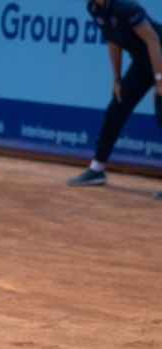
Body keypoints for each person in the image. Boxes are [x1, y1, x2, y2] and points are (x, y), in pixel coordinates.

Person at [67, 0, 162, 200]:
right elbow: (113, 41)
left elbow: (153, 40)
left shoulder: (126, 8)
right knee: (117, 107)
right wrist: (117, 79)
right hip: (142, 63)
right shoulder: (93, 8)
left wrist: (159, 80)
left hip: (159, 55)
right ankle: (97, 169)